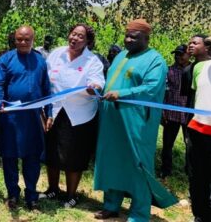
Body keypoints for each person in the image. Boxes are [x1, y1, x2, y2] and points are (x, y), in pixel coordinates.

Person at [93, 19, 176, 221]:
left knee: (137, 163)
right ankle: (111, 205)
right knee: (112, 160)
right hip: (112, 119)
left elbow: (150, 89)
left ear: (146, 38)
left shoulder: (155, 60)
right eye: (127, 35)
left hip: (137, 121)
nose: (128, 39)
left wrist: (122, 93)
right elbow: (111, 81)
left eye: (134, 37)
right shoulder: (121, 55)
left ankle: (139, 213)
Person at [42, 24, 105, 208]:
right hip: (54, 111)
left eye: (80, 36)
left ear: (87, 41)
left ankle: (71, 196)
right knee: (51, 152)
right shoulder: (56, 54)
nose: (75, 38)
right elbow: (45, 77)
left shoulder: (92, 61)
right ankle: (53, 189)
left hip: (79, 114)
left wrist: (94, 87)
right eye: (73, 34)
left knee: (74, 156)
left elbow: (98, 83)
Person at [0, 25, 52, 210]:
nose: (23, 42)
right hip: (11, 117)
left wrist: (49, 113)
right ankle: (12, 195)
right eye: (19, 39)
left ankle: (32, 196)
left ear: (33, 40)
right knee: (9, 157)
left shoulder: (41, 61)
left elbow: (47, 89)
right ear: (15, 39)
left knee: (32, 158)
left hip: (33, 118)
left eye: (27, 39)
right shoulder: (5, 59)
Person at [187, 35, 211, 222]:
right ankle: (200, 215)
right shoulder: (199, 68)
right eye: (210, 45)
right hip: (197, 132)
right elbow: (195, 98)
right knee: (197, 179)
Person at [159, 44, 190, 179]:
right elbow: (163, 92)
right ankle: (165, 170)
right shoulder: (169, 71)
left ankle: (190, 171)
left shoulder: (193, 70)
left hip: (189, 114)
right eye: (176, 54)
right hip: (171, 114)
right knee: (167, 144)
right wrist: (163, 111)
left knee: (190, 145)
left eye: (181, 54)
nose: (178, 57)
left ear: (188, 55)